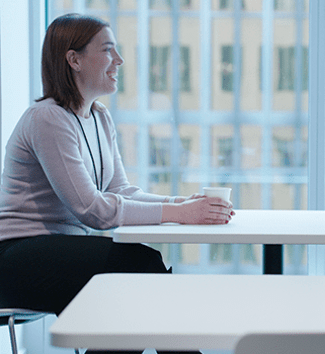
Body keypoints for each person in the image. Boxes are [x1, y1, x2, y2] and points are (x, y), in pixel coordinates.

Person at [0, 13, 234, 354]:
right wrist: (180, 213)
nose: (119, 60)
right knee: (138, 266)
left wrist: (181, 203)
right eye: (109, 50)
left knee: (129, 306)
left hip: (58, 255)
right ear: (74, 59)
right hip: (17, 259)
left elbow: (121, 192)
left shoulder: (99, 116)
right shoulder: (47, 118)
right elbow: (91, 209)